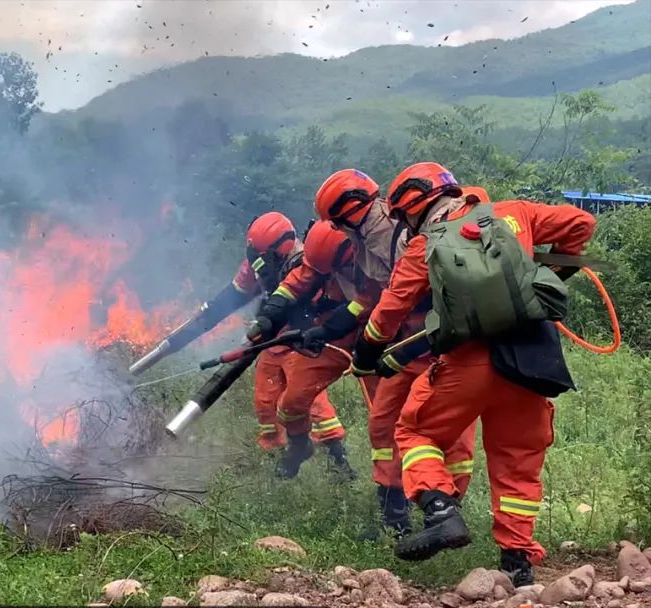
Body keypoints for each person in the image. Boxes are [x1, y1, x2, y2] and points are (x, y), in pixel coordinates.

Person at [352, 161, 595, 585]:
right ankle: (517, 565)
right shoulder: (515, 213)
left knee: (415, 431)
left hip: (469, 364)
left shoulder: (424, 245)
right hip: (531, 362)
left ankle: (441, 511)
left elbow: (389, 312)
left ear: (414, 208)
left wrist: (366, 352)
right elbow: (581, 224)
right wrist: (548, 271)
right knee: (517, 460)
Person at [306, 168, 476, 538]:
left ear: (348, 212)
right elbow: (373, 293)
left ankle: (446, 513)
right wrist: (333, 326)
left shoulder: (394, 235)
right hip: (407, 346)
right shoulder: (369, 240)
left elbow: (404, 295)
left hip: (440, 345)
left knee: (447, 430)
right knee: (383, 423)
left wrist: (371, 345)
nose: (337, 229)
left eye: (337, 222)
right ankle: (393, 516)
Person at [137, 211, 355, 474]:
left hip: (302, 340)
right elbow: (232, 296)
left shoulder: (308, 263)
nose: (258, 266)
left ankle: (338, 461)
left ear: (280, 250)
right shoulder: (257, 263)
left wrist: (273, 324)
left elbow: (307, 307)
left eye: (263, 259)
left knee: (306, 399)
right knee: (265, 400)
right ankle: (278, 460)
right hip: (272, 341)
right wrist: (202, 321)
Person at [248, 219, 380, 480]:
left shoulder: (375, 257)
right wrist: (270, 314)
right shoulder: (318, 257)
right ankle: (299, 446)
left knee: (383, 413)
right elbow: (296, 283)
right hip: (329, 336)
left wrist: (329, 327)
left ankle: (385, 489)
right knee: (291, 401)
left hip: (375, 333)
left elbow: (369, 301)